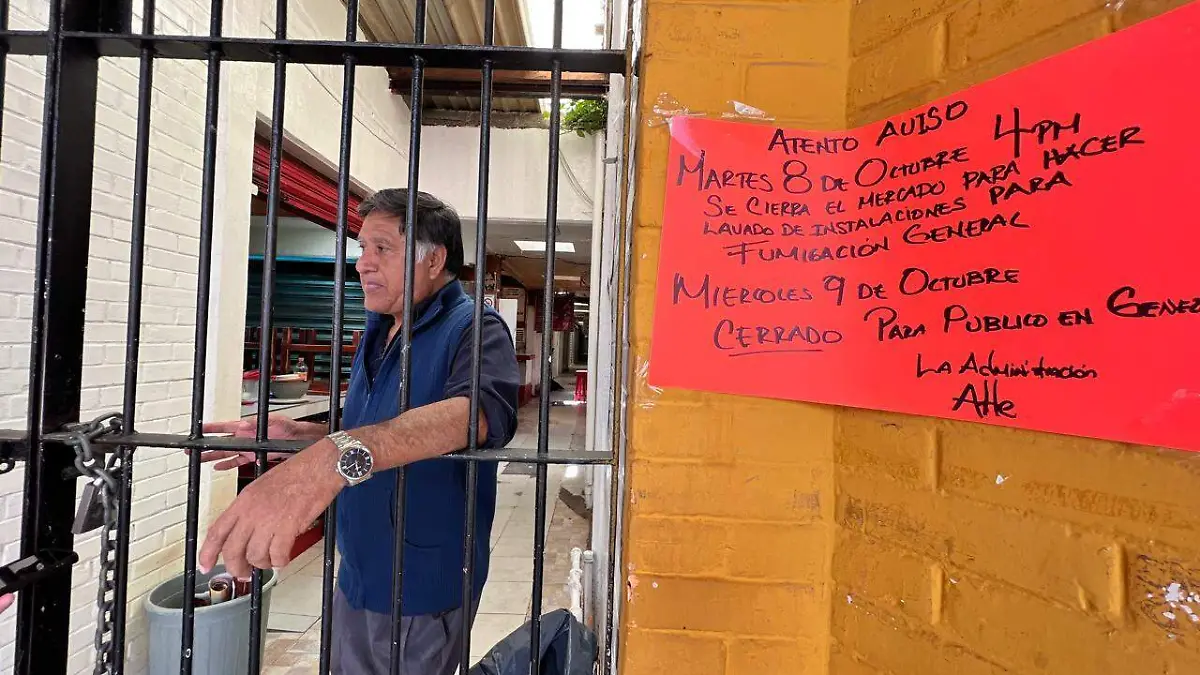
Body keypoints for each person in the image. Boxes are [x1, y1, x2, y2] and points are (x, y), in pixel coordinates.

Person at [196, 189, 520, 675]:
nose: (362, 264)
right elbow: (371, 422)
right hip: (358, 568)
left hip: (421, 583)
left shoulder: (474, 327)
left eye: (382, 249)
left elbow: (476, 416)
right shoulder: (379, 326)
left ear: (434, 259)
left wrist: (332, 456)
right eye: (362, 248)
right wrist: (303, 435)